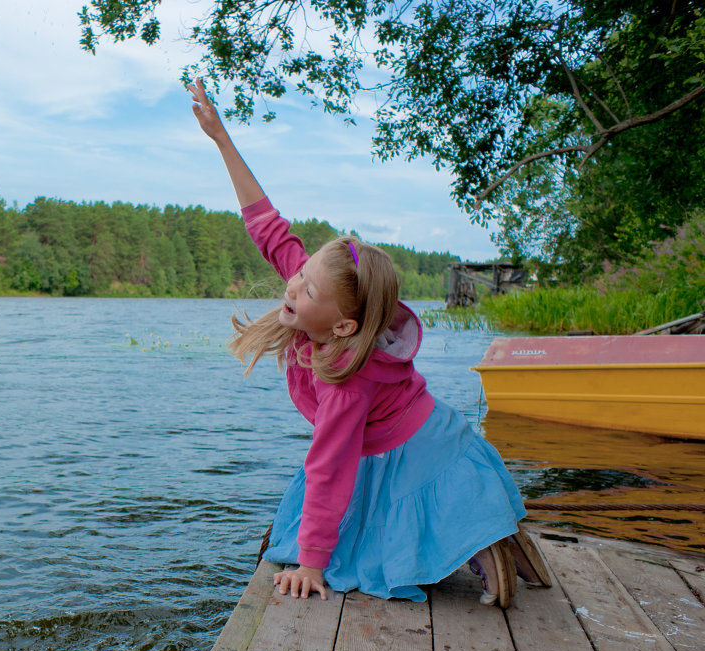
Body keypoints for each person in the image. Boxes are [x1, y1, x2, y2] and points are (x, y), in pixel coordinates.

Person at [189, 79, 552, 607]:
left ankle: (477, 545)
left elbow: (330, 469)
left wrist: (311, 563)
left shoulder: (345, 386)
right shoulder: (325, 298)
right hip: (409, 428)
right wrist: (222, 139)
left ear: (343, 327)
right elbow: (267, 226)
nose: (292, 283)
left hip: (410, 445)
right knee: (386, 511)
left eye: (306, 286)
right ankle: (486, 538)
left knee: (369, 538)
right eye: (301, 273)